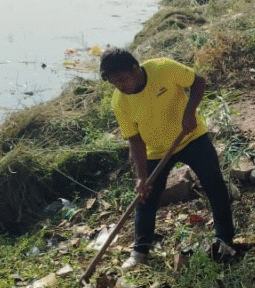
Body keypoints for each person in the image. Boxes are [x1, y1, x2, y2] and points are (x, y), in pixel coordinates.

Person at [99, 48, 235, 270]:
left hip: (191, 137)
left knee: (214, 185)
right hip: (156, 152)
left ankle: (225, 239)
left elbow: (198, 82)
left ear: (135, 68)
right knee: (145, 198)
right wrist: (141, 177)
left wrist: (190, 112)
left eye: (122, 79)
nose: (120, 86)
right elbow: (135, 140)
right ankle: (140, 252)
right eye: (114, 83)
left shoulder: (163, 68)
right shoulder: (119, 102)